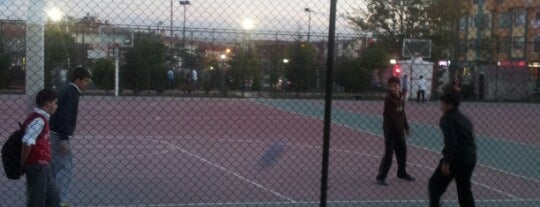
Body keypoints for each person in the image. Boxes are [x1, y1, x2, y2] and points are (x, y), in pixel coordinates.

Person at [49, 67, 91, 207]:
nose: (86, 84)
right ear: (77, 80)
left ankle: (50, 198)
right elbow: (64, 116)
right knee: (66, 167)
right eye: (85, 81)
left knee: (53, 168)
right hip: (57, 134)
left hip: (52, 131)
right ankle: (58, 201)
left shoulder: (66, 89)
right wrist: (64, 139)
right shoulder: (72, 93)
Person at [429, 92, 477, 207]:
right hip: (470, 157)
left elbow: (452, 142)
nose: (441, 106)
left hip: (456, 158)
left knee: (434, 186)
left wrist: (446, 162)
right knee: (464, 191)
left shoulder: (447, 119)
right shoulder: (464, 119)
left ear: (449, 105)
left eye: (442, 104)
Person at [21, 89, 60, 207]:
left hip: (42, 164)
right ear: (47, 104)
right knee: (37, 199)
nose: (56, 106)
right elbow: (27, 142)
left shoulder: (40, 118)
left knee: (53, 196)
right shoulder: (39, 120)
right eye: (55, 103)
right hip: (37, 165)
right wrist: (22, 163)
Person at [376, 77, 415, 186]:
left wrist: (406, 127)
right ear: (389, 88)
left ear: (399, 86)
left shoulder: (401, 98)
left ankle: (401, 172)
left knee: (402, 152)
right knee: (389, 154)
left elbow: (402, 114)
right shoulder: (389, 99)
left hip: (399, 131)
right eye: (391, 86)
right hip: (390, 130)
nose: (394, 88)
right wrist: (398, 128)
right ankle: (381, 176)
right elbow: (392, 117)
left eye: (396, 85)